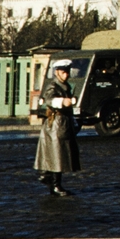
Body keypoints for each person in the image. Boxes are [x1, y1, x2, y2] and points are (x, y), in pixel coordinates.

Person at [34, 59, 81, 196]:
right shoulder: (53, 86)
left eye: (67, 72)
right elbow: (49, 98)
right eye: (63, 72)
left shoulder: (66, 86)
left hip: (63, 123)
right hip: (55, 125)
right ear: (56, 73)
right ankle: (54, 184)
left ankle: (54, 182)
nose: (66, 75)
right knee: (55, 155)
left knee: (59, 155)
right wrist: (61, 102)